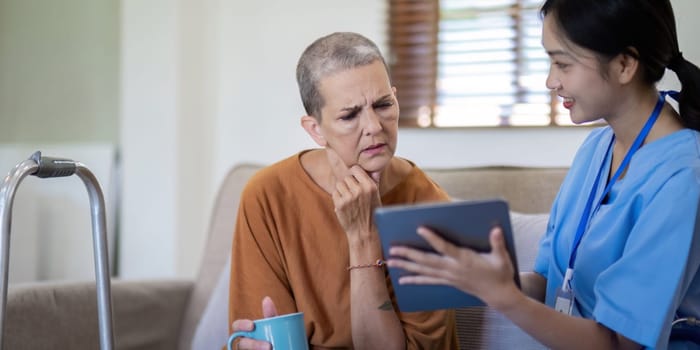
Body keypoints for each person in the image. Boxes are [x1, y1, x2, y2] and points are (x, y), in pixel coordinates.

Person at [386, 0, 700, 349]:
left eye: (563, 64)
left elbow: (619, 343)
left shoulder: (684, 177)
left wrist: (506, 298)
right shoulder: (596, 148)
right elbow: (549, 278)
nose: (551, 81)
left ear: (625, 64)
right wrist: (479, 279)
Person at [227, 32, 457, 349]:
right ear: (315, 129)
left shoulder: (428, 207)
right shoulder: (267, 195)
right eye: (350, 115)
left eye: (383, 105)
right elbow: (262, 333)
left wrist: (362, 238)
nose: (375, 126)